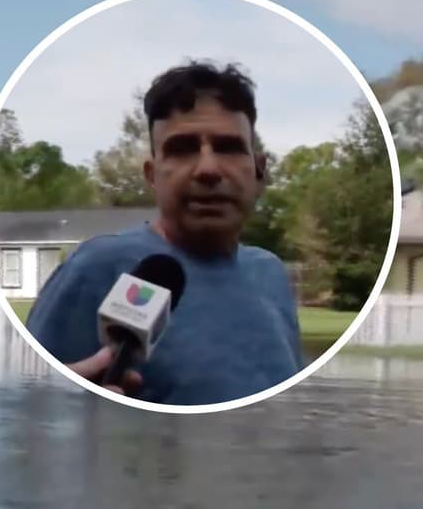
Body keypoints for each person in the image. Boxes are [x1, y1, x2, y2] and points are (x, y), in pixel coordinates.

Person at [26, 60, 303, 406]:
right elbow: (30, 411)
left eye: (228, 147)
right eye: (183, 149)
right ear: (152, 174)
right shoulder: (98, 267)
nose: (207, 169)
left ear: (259, 170)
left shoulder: (270, 273)